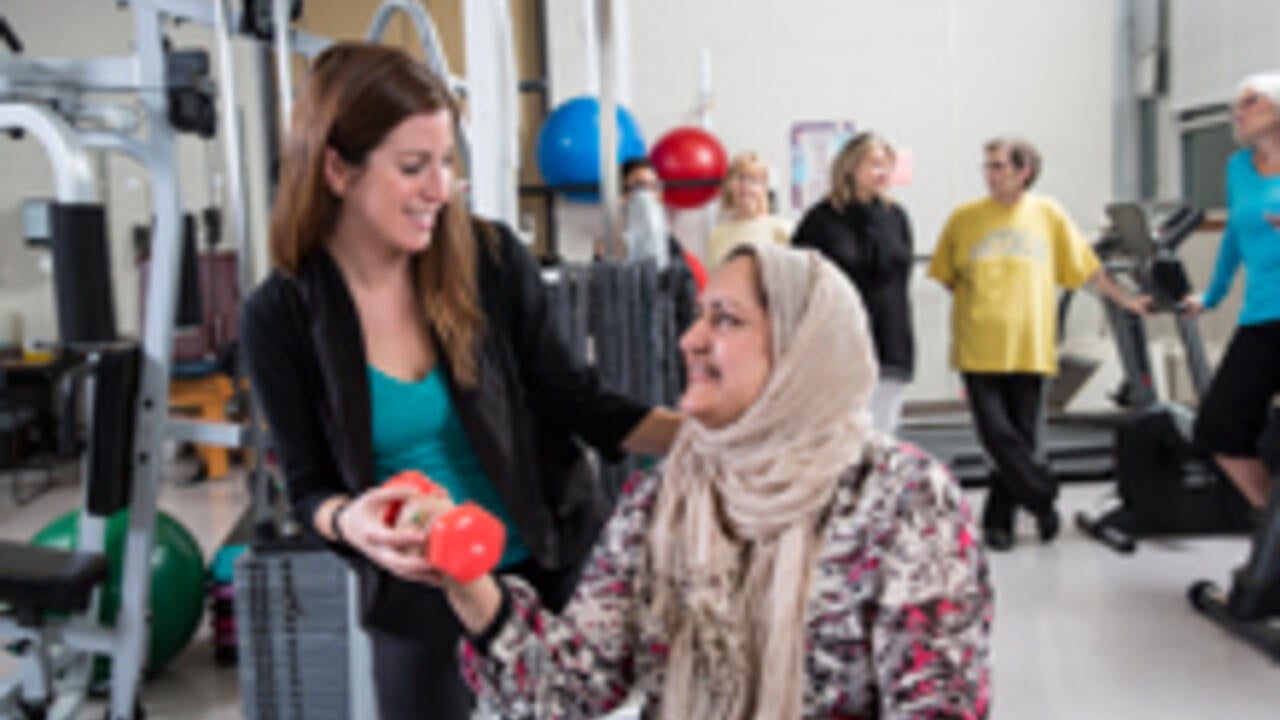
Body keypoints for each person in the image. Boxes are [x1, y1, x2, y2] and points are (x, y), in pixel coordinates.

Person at [240, 43, 681, 720]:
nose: (439, 189)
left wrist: (709, 433)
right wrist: (349, 520)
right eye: (414, 167)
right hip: (420, 595)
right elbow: (308, 486)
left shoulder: (491, 260)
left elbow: (577, 399)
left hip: (549, 564)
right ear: (336, 169)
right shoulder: (282, 316)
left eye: (446, 163)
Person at [421, 242, 991, 719]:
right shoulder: (660, 498)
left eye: (726, 319)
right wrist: (468, 584)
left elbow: (937, 704)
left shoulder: (903, 499)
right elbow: (571, 690)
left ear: (800, 349)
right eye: (699, 314)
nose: (689, 339)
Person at [929, 138, 1151, 551]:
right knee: (997, 435)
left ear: (1024, 171)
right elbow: (946, 274)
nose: (990, 174)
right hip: (978, 344)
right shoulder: (964, 218)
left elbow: (1086, 268)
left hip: (1030, 344)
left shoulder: (1048, 215)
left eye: (998, 166)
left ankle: (1000, 521)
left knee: (1022, 438)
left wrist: (1126, 299)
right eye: (988, 166)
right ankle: (1043, 497)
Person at [1187, 71, 1280, 511]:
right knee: (1219, 428)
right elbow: (1232, 240)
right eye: (1235, 105)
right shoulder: (1238, 168)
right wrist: (1212, 295)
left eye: (1250, 102)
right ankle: (1273, 533)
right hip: (1262, 317)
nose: (1237, 113)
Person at [793, 131, 916, 433]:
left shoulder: (896, 216)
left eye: (888, 165)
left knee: (883, 432)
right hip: (841, 341)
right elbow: (799, 278)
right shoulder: (821, 219)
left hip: (890, 336)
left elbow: (903, 275)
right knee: (844, 431)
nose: (884, 172)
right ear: (851, 167)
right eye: (875, 164)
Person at [619, 156, 709, 291]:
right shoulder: (609, 246)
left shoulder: (675, 252)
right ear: (622, 194)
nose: (647, 195)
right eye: (639, 187)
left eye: (653, 187)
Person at [706, 152, 792, 266]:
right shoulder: (717, 234)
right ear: (729, 185)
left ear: (764, 188)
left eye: (754, 180)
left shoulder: (783, 229)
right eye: (741, 178)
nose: (746, 185)